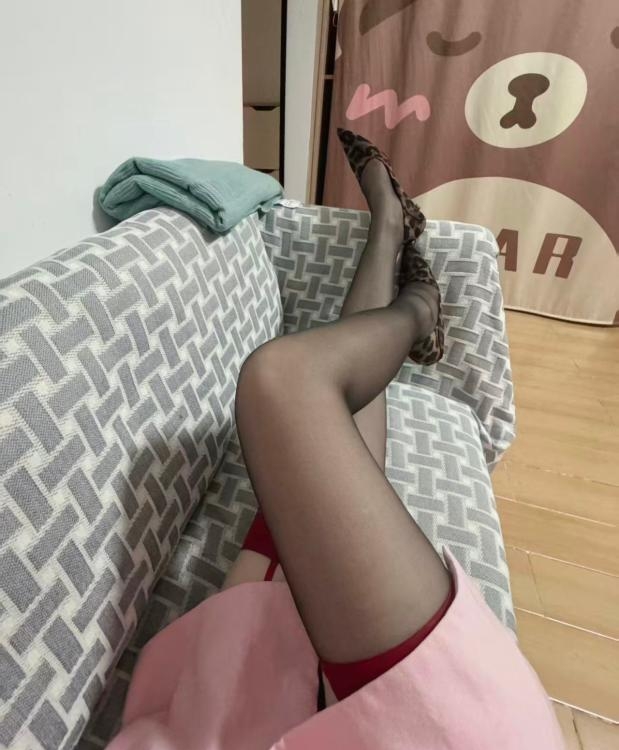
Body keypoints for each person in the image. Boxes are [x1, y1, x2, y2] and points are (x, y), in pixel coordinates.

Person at [106, 129, 566, 749]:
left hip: (233, 694)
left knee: (313, 454)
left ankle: (390, 236)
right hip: (425, 726)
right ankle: (418, 304)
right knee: (283, 383)